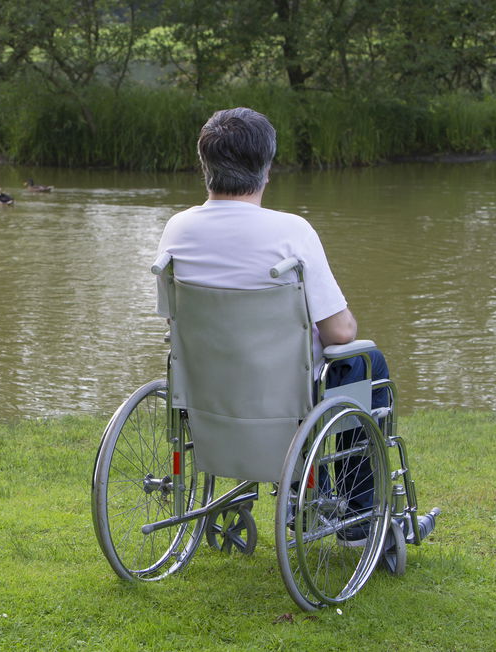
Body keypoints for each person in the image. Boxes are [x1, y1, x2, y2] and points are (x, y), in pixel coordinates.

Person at [156, 107, 388, 541]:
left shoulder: (177, 229)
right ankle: (357, 513)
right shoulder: (291, 232)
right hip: (286, 397)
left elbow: (173, 319)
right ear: (267, 168)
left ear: (204, 166)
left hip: (208, 391)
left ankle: (302, 493)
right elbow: (341, 333)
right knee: (365, 360)